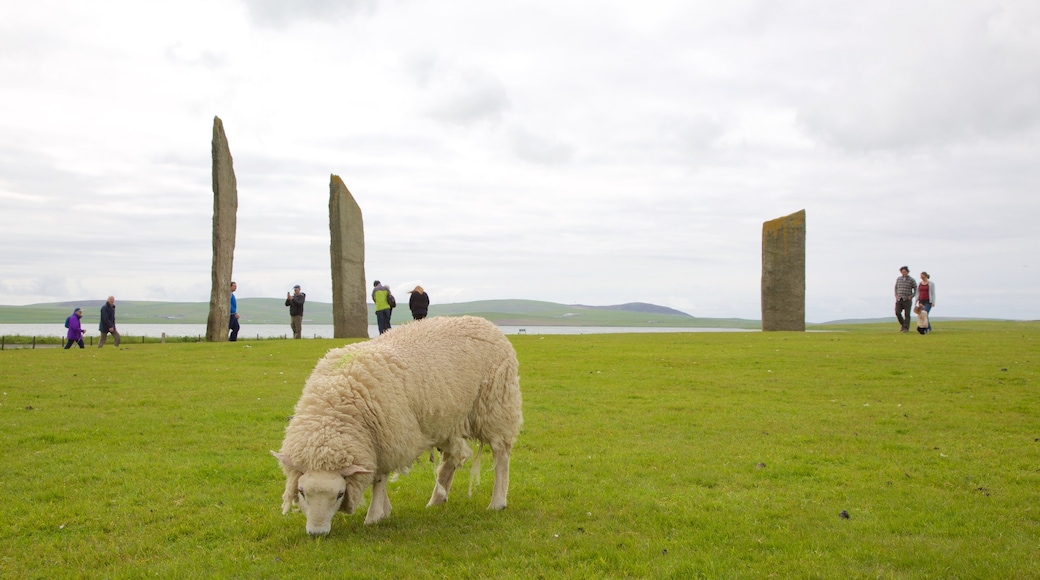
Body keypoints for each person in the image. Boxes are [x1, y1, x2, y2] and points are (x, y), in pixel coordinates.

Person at [894, 266, 917, 333]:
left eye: (905, 272)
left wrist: (911, 296)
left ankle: (906, 328)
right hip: (899, 299)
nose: (904, 273)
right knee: (897, 312)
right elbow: (896, 288)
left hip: (907, 299)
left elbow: (916, 289)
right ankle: (903, 324)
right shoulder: (899, 279)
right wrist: (896, 295)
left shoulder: (911, 280)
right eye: (902, 272)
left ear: (907, 272)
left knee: (907, 314)